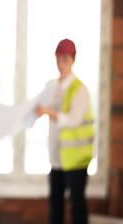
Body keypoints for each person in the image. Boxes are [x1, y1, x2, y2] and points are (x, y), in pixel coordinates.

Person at [36, 39, 94, 224]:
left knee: (76, 205)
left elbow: (73, 120)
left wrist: (49, 112)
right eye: (58, 60)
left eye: (65, 60)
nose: (61, 64)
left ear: (73, 60)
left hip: (75, 159)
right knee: (55, 205)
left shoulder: (80, 90)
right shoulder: (53, 86)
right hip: (56, 158)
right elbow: (42, 106)